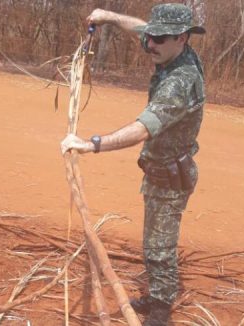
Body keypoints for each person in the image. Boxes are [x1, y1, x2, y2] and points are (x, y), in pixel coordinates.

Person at [60, 4, 205, 325]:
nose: (150, 43)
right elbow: (140, 28)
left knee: (159, 247)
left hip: (171, 176)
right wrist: (109, 17)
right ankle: (157, 294)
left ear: (181, 38)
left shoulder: (181, 81)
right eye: (151, 36)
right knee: (153, 240)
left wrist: (90, 144)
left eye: (159, 38)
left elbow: (142, 129)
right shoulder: (170, 51)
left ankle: (160, 310)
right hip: (158, 169)